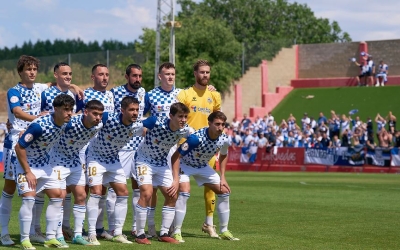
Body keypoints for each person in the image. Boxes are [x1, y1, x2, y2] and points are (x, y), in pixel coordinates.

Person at [0, 55, 82, 246]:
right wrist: (36, 118)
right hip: (16, 141)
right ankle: (4, 233)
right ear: (20, 72)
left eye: (34, 69)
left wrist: (73, 87)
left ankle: (35, 232)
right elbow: (18, 112)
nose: (32, 72)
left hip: (37, 146)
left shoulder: (40, 89)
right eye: (28, 69)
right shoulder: (14, 90)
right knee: (10, 190)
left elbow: (56, 81)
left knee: (43, 193)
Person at [14, 94, 75, 249]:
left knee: (57, 196)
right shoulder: (39, 126)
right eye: (66, 109)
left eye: (71, 110)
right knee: (29, 199)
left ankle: (50, 237)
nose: (69, 113)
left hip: (45, 165)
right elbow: (19, 147)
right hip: (26, 165)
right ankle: (25, 239)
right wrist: (28, 172)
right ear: (56, 109)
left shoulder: (65, 123)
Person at [171, 111, 239, 242]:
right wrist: (175, 177)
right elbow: (176, 156)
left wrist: (223, 176)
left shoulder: (224, 139)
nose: (220, 127)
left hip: (202, 166)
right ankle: (176, 231)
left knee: (224, 192)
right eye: (217, 124)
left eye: (223, 125)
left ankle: (224, 230)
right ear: (209, 123)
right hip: (185, 165)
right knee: (185, 193)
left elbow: (224, 155)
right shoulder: (196, 138)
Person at [85, 96, 143, 245]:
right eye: (131, 110)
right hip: (95, 158)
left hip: (113, 160)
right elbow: (86, 118)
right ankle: (92, 233)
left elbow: (152, 125)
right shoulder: (107, 117)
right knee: (97, 192)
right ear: (122, 110)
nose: (135, 113)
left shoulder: (136, 126)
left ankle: (117, 232)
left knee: (123, 192)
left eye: (137, 110)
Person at [49, 100, 105, 246]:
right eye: (95, 113)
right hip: (57, 160)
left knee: (81, 195)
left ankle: (78, 235)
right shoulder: (70, 122)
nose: (98, 117)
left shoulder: (98, 125)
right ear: (85, 112)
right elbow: (53, 119)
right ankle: (58, 234)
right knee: (60, 197)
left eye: (100, 114)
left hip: (74, 161)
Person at [176, 59, 222, 238]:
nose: (205, 75)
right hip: (186, 148)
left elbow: (218, 119)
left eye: (207, 72)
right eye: (202, 72)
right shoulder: (185, 94)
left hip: (208, 149)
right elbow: (178, 117)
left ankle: (209, 224)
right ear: (195, 74)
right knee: (181, 190)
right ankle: (175, 227)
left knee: (211, 188)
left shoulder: (215, 95)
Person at [134, 102, 191, 245]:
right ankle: (140, 234)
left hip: (162, 163)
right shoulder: (156, 121)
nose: (183, 120)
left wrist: (176, 178)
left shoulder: (185, 130)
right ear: (171, 116)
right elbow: (135, 126)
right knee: (146, 193)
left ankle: (164, 232)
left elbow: (199, 137)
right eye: (180, 116)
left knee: (172, 195)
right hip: (144, 160)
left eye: (185, 117)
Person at [109, 64, 148, 238]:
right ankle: (112, 228)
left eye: (140, 76)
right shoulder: (115, 92)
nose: (137, 79)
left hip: (140, 147)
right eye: (134, 76)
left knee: (139, 187)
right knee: (115, 189)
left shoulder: (143, 92)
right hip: (122, 147)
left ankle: (135, 227)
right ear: (126, 77)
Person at [79, 63, 115, 241]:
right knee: (83, 189)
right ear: (93, 77)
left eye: (107, 74)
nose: (105, 77)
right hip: (86, 147)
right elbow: (74, 113)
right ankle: (79, 228)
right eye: (101, 74)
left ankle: (99, 228)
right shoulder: (84, 94)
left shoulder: (111, 95)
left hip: (106, 149)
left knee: (102, 190)